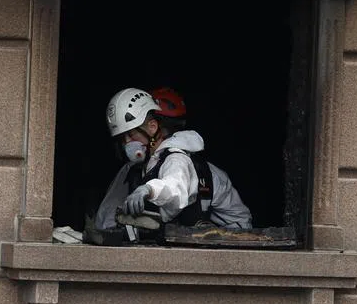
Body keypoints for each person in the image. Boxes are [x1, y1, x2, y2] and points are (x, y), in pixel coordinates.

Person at [92, 86, 252, 233]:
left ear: (153, 127)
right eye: (122, 138)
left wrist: (148, 190)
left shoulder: (177, 160)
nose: (127, 143)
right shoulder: (133, 170)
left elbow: (174, 187)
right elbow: (106, 218)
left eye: (131, 135)